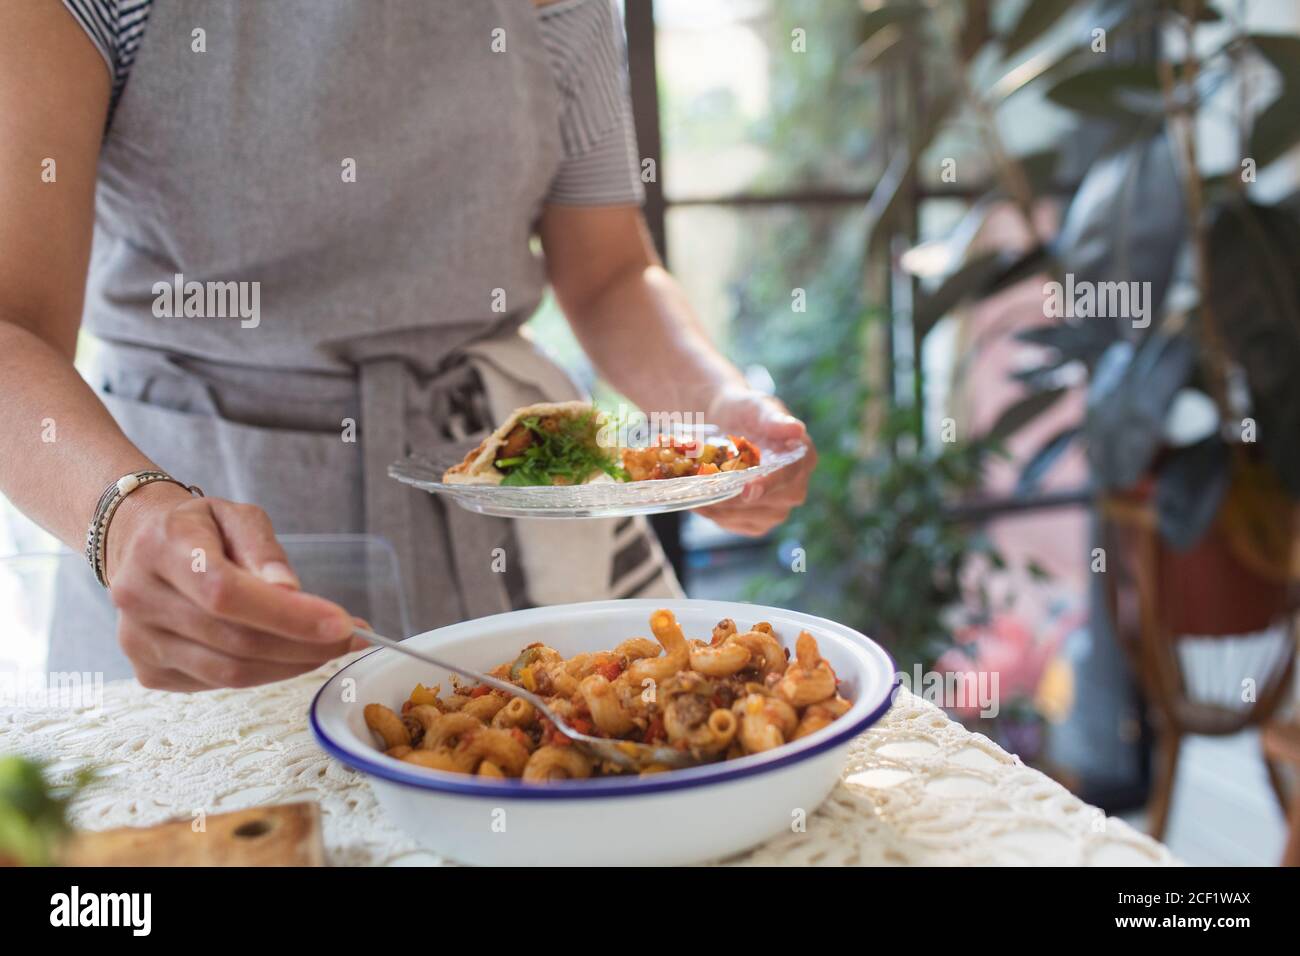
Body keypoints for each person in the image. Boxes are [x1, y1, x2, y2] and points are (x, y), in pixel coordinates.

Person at [0, 0, 815, 691]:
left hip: (511, 530)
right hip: (192, 541)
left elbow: (608, 272)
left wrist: (716, 405)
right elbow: (12, 326)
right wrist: (130, 518)